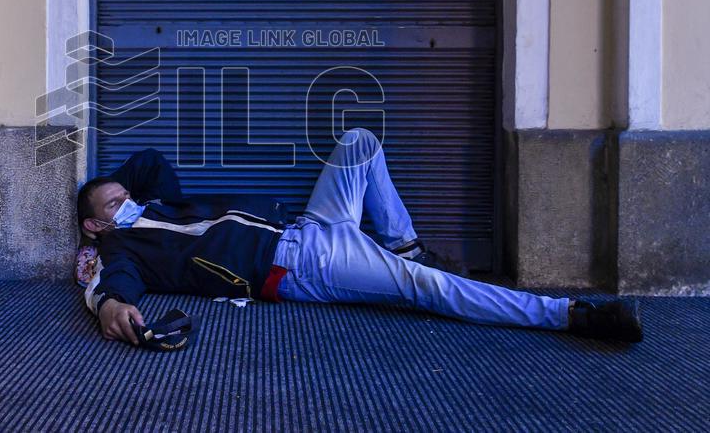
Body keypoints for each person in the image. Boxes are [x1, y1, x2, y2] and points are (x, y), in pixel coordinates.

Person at [78, 128, 642, 346]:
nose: (125, 203)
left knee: (359, 141)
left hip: (309, 225)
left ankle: (403, 243)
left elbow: (148, 162)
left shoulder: (156, 203)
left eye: (124, 196)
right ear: (95, 225)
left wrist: (123, 197)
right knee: (428, 289)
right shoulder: (123, 248)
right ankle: (570, 314)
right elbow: (117, 282)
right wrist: (109, 300)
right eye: (112, 206)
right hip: (299, 266)